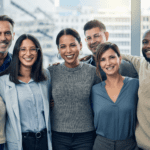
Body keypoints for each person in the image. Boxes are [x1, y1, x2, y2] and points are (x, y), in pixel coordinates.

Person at [48, 28, 101, 150]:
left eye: (72, 45)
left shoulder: (92, 72)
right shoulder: (51, 72)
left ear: (80, 45)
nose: (68, 51)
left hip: (86, 136)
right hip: (58, 136)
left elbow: (100, 102)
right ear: (58, 49)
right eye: (63, 46)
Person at [0, 34, 52, 150]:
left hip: (44, 140)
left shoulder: (46, 76)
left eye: (32, 49)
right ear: (17, 52)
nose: (28, 54)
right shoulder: (3, 82)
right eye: (23, 49)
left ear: (38, 52)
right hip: (20, 141)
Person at [92, 42, 139, 150]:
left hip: (129, 145)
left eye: (112, 57)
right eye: (103, 59)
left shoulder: (135, 85)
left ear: (120, 58)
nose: (108, 63)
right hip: (101, 145)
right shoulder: (94, 90)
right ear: (99, 63)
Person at [121, 30, 150, 150]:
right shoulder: (142, 63)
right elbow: (124, 56)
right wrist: (93, 56)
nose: (147, 46)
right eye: (145, 42)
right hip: (141, 144)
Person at [0, 15, 15, 150]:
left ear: (13, 35)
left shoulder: (18, 65)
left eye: (7, 33)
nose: (3, 38)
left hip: (10, 140)